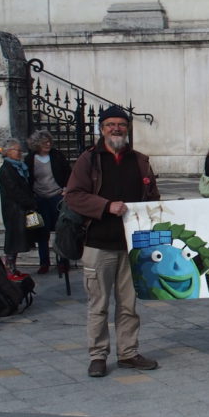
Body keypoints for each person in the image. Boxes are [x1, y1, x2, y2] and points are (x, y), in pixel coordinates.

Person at [65, 105, 161, 378]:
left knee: (129, 305)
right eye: (110, 125)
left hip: (132, 245)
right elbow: (73, 195)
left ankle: (128, 352)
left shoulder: (140, 160)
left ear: (128, 128)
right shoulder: (89, 160)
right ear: (102, 128)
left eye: (121, 124)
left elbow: (152, 196)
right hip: (98, 244)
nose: (116, 129)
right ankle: (98, 355)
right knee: (99, 305)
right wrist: (106, 206)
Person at [26, 130, 72, 275]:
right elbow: (27, 179)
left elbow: (68, 173)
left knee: (61, 230)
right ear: (36, 144)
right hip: (39, 198)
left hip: (56, 196)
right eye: (44, 142)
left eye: (49, 141)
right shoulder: (30, 159)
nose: (47, 144)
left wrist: (66, 189)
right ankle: (44, 262)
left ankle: (63, 262)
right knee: (42, 232)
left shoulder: (57, 156)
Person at [0, 138, 38, 275]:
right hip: (13, 210)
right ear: (8, 152)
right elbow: (14, 190)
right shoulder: (6, 169)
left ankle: (12, 265)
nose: (20, 153)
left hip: (22, 208)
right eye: (16, 150)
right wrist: (28, 201)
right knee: (13, 238)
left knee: (19, 238)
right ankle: (9, 266)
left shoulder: (20, 167)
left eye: (20, 150)